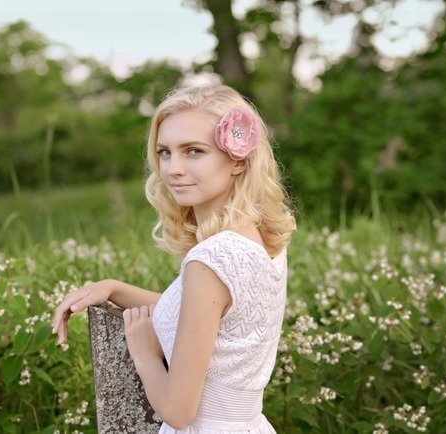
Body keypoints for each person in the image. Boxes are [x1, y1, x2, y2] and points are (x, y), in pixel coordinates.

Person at [53, 84, 296, 433]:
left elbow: (178, 411)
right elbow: (207, 318)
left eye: (194, 151)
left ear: (239, 160)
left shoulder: (211, 258)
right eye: (165, 152)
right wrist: (113, 288)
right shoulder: (259, 238)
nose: (173, 169)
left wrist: (146, 353)